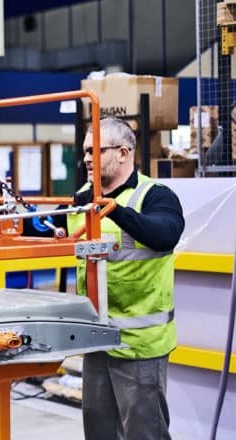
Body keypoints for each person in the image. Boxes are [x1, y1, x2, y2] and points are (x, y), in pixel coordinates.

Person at [53, 116, 183, 439]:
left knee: (143, 433)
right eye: (84, 151)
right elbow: (44, 226)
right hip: (97, 343)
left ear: (123, 153)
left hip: (139, 347)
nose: (85, 158)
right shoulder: (83, 197)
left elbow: (166, 233)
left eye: (95, 150)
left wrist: (112, 209)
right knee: (99, 432)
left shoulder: (154, 196)